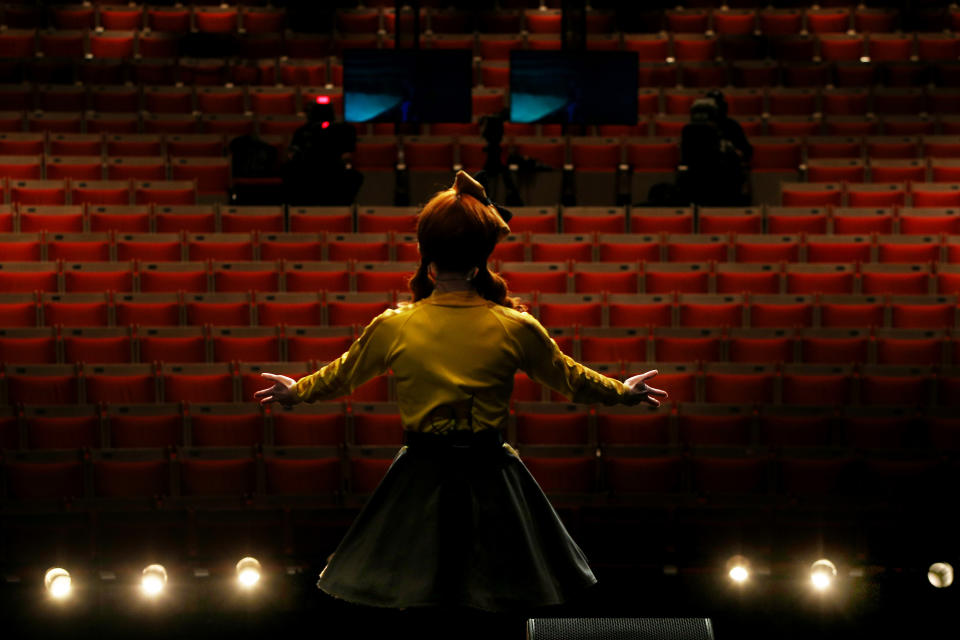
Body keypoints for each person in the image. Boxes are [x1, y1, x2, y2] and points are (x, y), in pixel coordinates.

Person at [255, 171, 667, 636]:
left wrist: (295, 392)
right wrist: (624, 392)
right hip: (492, 475)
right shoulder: (514, 325)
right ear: (480, 263)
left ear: (429, 260)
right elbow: (571, 379)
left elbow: (342, 375)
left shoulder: (395, 325)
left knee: (421, 605)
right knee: (497, 604)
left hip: (419, 478)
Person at [283, 99, 362, 206]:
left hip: (335, 173)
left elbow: (348, 154)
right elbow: (294, 153)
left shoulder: (344, 130)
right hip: (306, 173)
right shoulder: (303, 131)